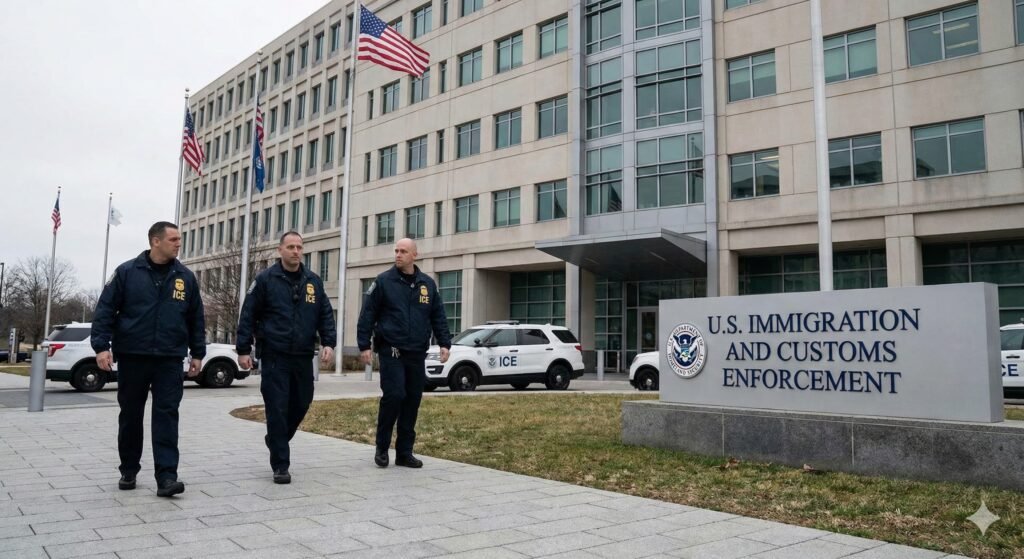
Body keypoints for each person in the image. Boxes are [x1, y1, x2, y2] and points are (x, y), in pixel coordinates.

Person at [92, 221, 206, 498]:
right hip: (133, 355)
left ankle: (167, 477)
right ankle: (129, 469)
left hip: (169, 358)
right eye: (173, 239)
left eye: (179, 239)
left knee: (167, 415)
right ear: (156, 241)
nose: (179, 244)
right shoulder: (127, 272)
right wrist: (101, 347)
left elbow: (196, 318)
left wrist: (198, 353)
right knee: (131, 415)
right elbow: (105, 310)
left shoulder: (185, 277)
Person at [236, 231, 336, 484]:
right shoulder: (265, 280)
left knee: (302, 402)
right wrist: (243, 349)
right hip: (275, 355)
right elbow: (248, 314)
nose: (296, 251)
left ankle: (275, 439)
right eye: (290, 247)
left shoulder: (313, 281)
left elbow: (325, 313)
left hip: (303, 355)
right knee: (277, 408)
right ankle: (281, 464)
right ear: (280, 250)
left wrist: (329, 342)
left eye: (299, 247)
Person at [357, 238, 451, 468]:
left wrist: (444, 343)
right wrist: (364, 345)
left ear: (414, 255)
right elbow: (367, 314)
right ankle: (382, 447)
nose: (398, 254)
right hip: (392, 350)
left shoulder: (427, 284)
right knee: (394, 395)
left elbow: (438, 315)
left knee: (412, 400)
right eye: (396, 251)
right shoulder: (383, 281)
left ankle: (404, 452)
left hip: (416, 353)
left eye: (403, 251)